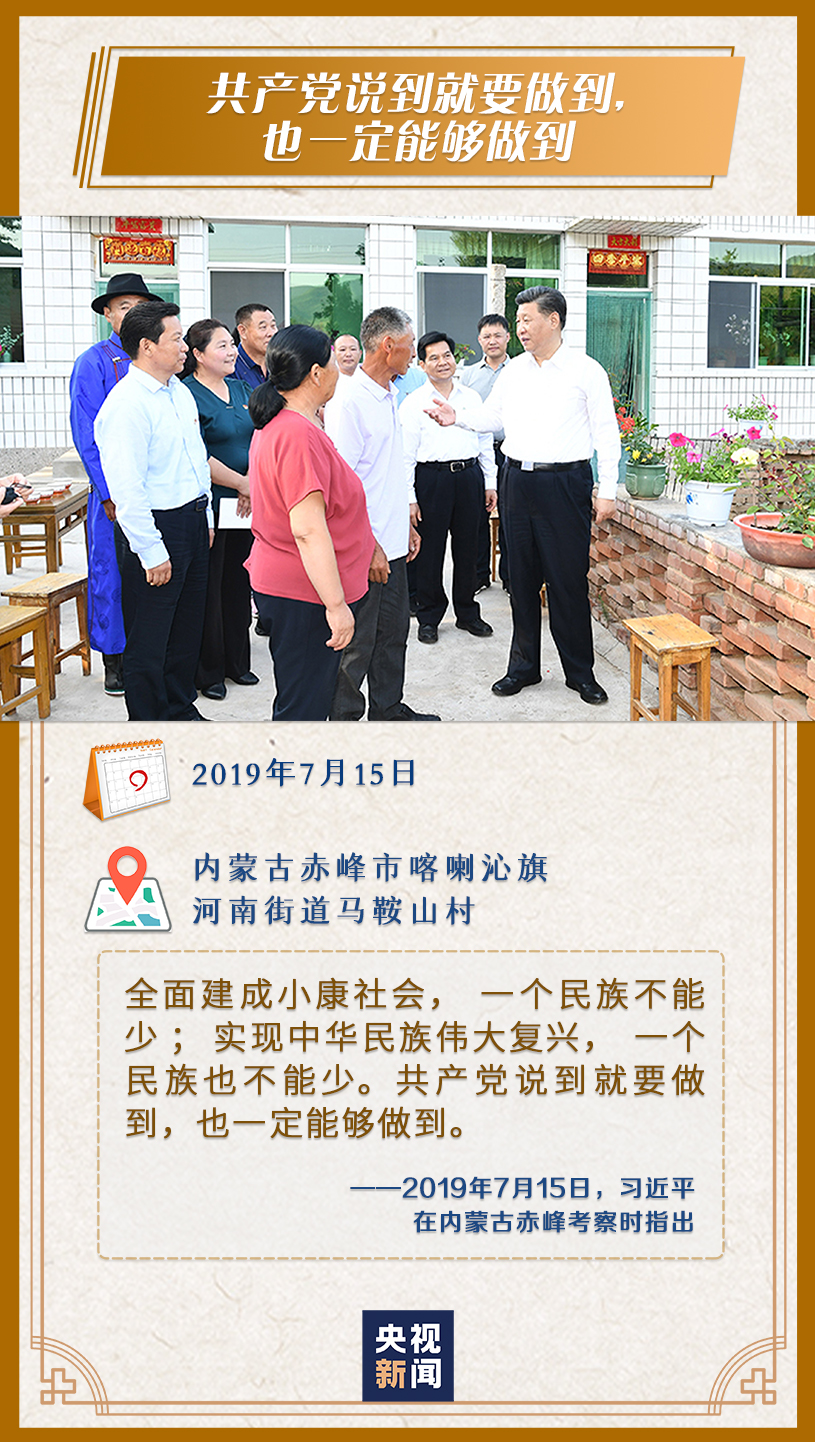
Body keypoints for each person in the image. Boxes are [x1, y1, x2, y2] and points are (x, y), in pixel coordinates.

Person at [426, 286, 620, 706]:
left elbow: (607, 432)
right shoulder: (514, 371)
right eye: (518, 321)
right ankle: (523, 667)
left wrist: (607, 488)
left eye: (527, 320)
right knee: (522, 580)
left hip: (564, 484)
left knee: (567, 582)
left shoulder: (586, 371)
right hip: (517, 482)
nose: (521, 329)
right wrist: (457, 417)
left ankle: (580, 673)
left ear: (554, 320)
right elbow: (494, 415)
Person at [245, 325, 376, 721]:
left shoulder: (288, 423)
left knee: (302, 698)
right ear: (316, 373)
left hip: (295, 586)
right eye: (334, 362)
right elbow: (307, 529)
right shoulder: (296, 433)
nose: (340, 370)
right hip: (304, 592)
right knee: (303, 709)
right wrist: (336, 606)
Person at [94, 301, 214, 722]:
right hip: (156, 527)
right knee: (150, 637)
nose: (184, 347)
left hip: (192, 520)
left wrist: (205, 516)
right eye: (176, 338)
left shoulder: (178, 390)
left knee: (186, 629)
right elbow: (127, 489)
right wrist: (151, 551)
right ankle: (147, 724)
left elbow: (195, 458)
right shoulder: (126, 404)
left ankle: (180, 709)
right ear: (147, 346)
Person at [324, 306, 440, 722]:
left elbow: (388, 468)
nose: (414, 354)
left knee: (393, 633)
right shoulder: (349, 401)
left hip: (392, 543)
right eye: (410, 345)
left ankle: (388, 709)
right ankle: (343, 720)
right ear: (388, 345)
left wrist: (405, 523)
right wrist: (370, 545)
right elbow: (343, 486)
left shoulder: (389, 394)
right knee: (357, 644)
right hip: (365, 549)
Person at [69, 271, 163, 695]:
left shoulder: (158, 360)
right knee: (111, 574)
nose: (132, 313)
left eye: (140, 307)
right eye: (124, 306)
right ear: (108, 314)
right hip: (112, 494)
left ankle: (149, 653)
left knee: (153, 570)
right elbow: (87, 433)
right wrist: (109, 493)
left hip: (156, 489)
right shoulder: (93, 362)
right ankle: (114, 659)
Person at [399, 331, 496, 645]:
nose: (442, 362)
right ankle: (429, 617)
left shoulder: (472, 398)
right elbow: (405, 455)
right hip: (432, 479)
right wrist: (410, 497)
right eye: (434, 358)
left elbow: (484, 441)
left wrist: (489, 482)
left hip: (469, 477)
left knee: (468, 549)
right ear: (422, 364)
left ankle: (467, 612)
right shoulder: (413, 403)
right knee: (430, 552)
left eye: (447, 356)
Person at [181, 319, 258, 700]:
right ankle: (209, 671)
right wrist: (240, 482)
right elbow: (197, 452)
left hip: (247, 502)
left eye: (232, 344)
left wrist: (252, 482)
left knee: (238, 581)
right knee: (209, 586)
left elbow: (262, 436)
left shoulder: (243, 388)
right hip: (211, 501)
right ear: (198, 354)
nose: (232, 352)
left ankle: (237, 662)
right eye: (222, 346)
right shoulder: (187, 394)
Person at [459, 313, 512, 591]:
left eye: (497, 335)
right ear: (479, 340)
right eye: (487, 336)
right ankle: (479, 575)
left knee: (511, 513)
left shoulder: (518, 371)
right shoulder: (468, 375)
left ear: (507, 338)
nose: (493, 341)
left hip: (510, 452)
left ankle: (509, 576)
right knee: (478, 514)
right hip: (479, 453)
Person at [233, 304, 278, 390]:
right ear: (243, 331)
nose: (271, 333)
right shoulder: (231, 367)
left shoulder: (280, 364)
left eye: (273, 326)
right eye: (263, 327)